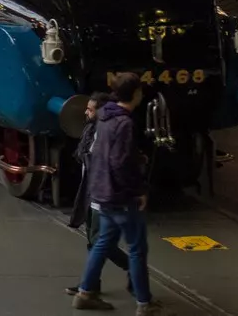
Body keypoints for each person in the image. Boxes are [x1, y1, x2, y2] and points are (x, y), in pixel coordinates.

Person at [73, 75, 153, 313]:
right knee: (138, 249)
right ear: (136, 94)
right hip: (120, 197)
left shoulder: (104, 117)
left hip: (101, 193)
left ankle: (85, 293)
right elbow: (121, 163)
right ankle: (144, 304)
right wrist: (138, 191)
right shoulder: (125, 123)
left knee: (102, 243)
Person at [64, 95, 130, 299]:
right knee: (93, 241)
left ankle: (133, 266)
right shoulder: (90, 129)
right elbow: (81, 153)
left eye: (91, 110)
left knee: (100, 241)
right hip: (90, 191)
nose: (86, 112)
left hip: (104, 194)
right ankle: (91, 284)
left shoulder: (108, 132)